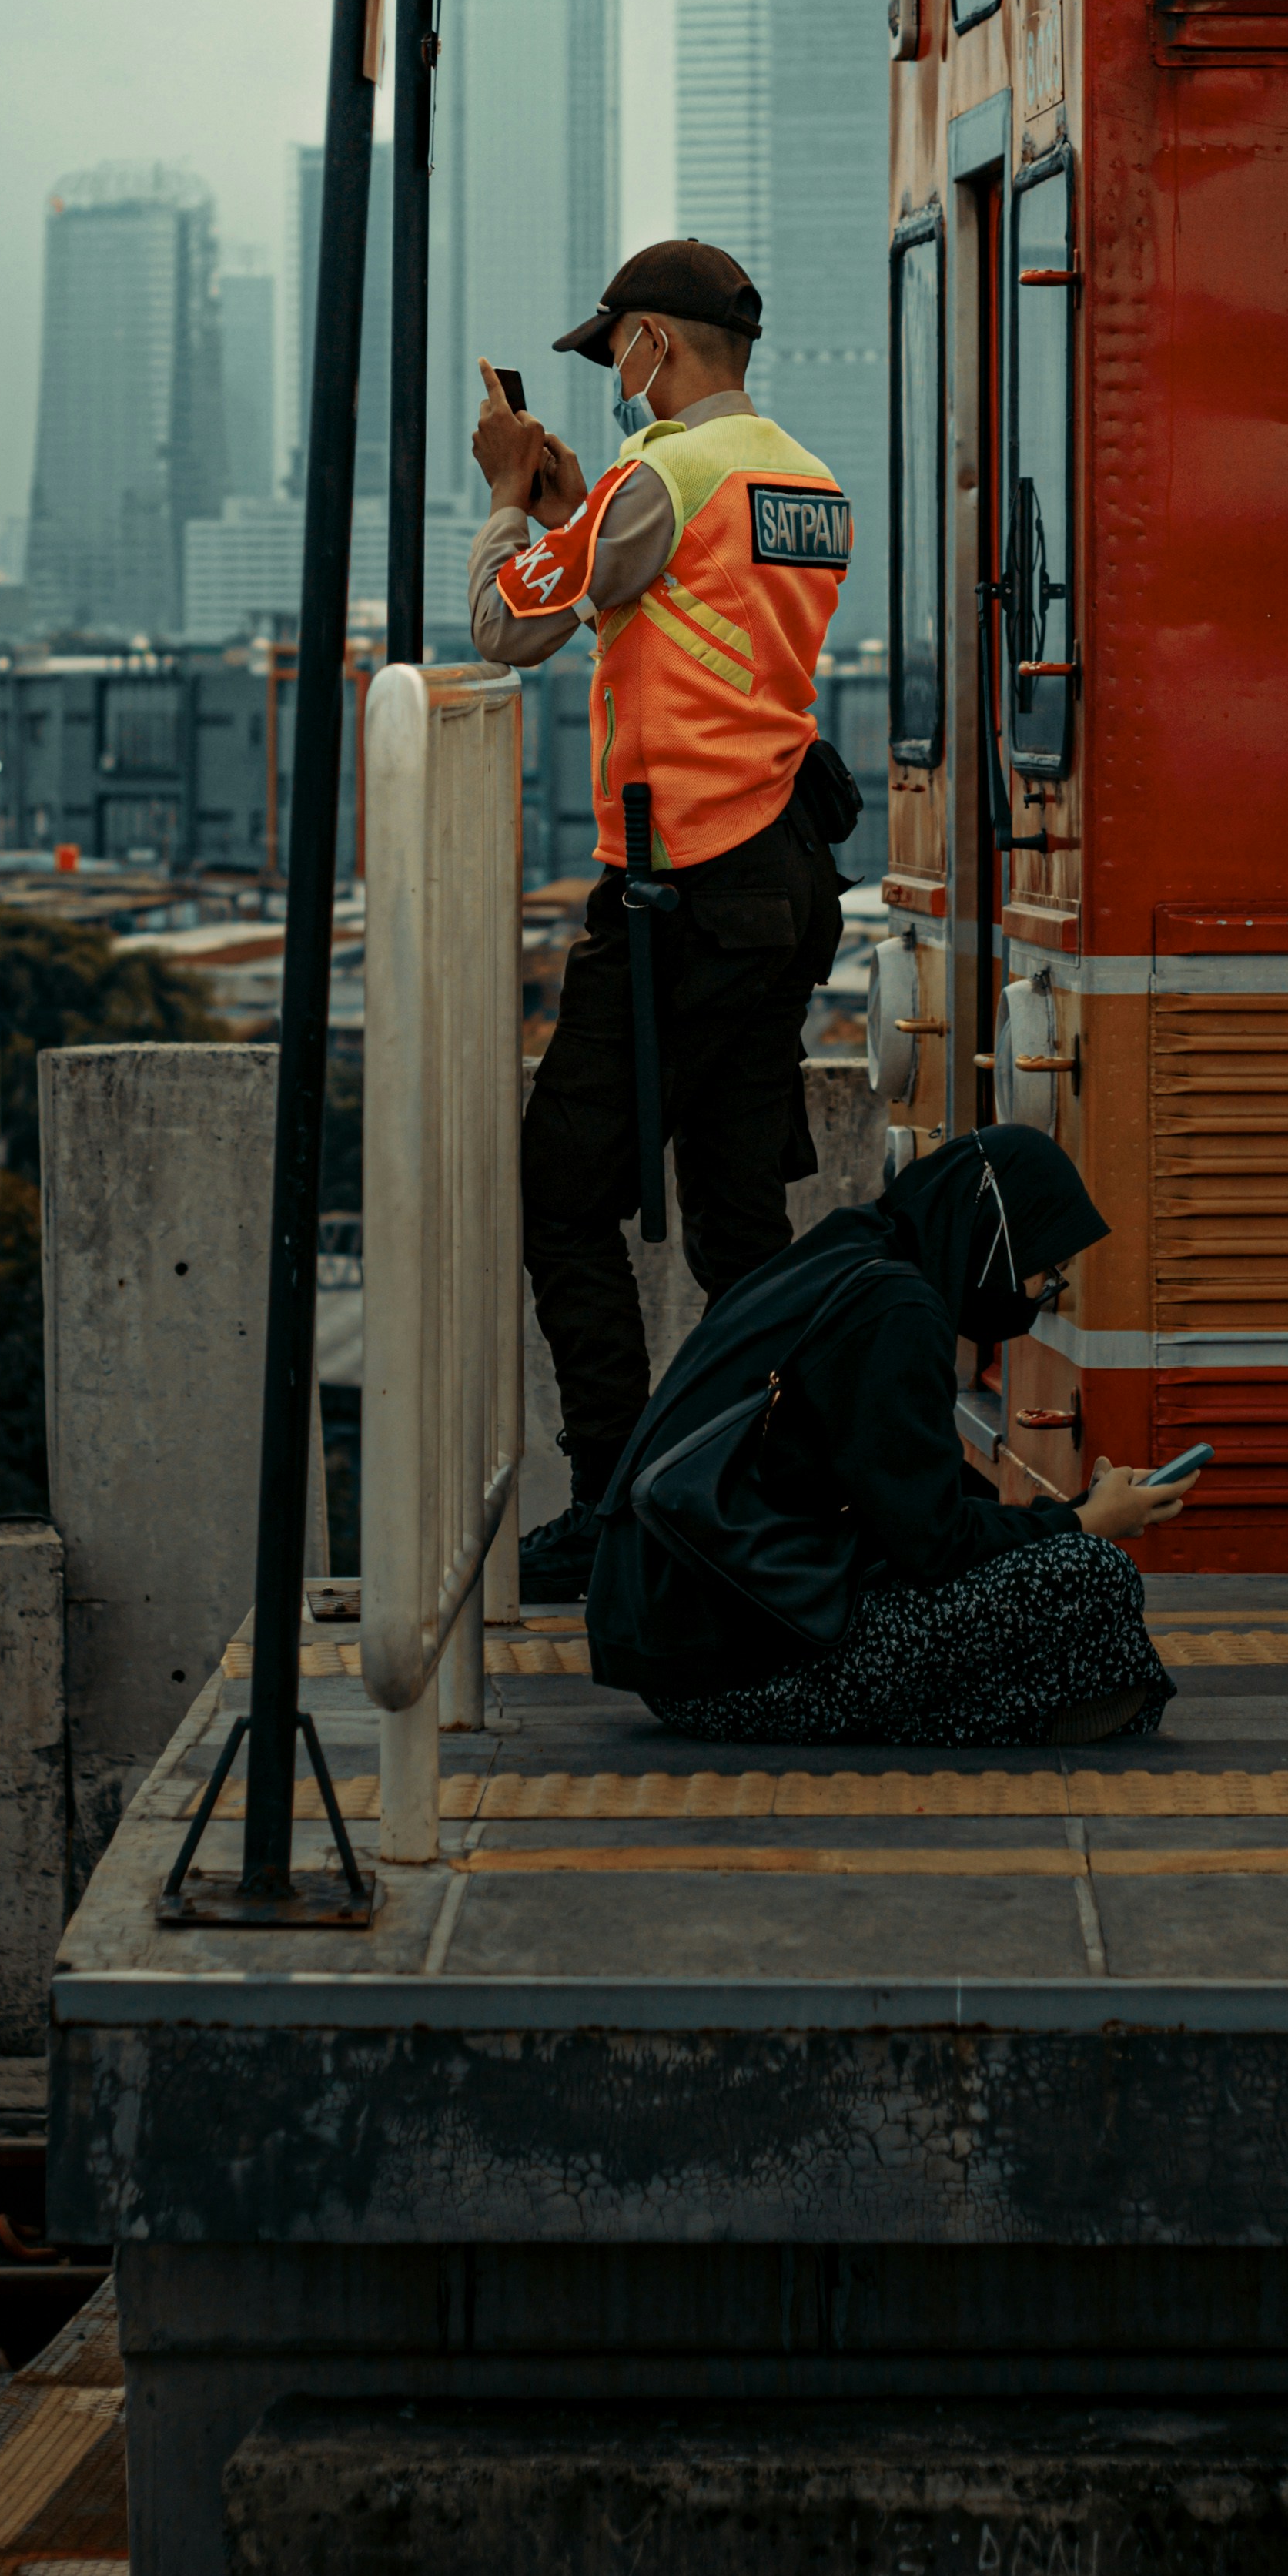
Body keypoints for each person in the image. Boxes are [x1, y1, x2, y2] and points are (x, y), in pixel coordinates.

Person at [470, 238, 853, 1604]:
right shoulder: (804, 479)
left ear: (654, 345)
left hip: (677, 888)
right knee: (738, 1217)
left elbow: (505, 625)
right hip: (784, 880)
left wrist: (512, 500)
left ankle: (615, 1494)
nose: (613, 380)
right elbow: (681, 616)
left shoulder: (659, 476)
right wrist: (585, 513)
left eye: (617, 354)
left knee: (560, 1198)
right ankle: (771, 1482)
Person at [586, 1127, 1198, 1748]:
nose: (1043, 1291)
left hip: (696, 1643)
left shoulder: (852, 1251)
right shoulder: (897, 1313)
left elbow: (907, 1504)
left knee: (1074, 1577)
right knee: (1092, 1574)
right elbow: (933, 1545)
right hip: (736, 1671)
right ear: (996, 1239)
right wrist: (1086, 1526)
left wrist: (1073, 1510)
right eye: (1045, 1267)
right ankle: (1031, 1708)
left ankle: (1043, 1703)